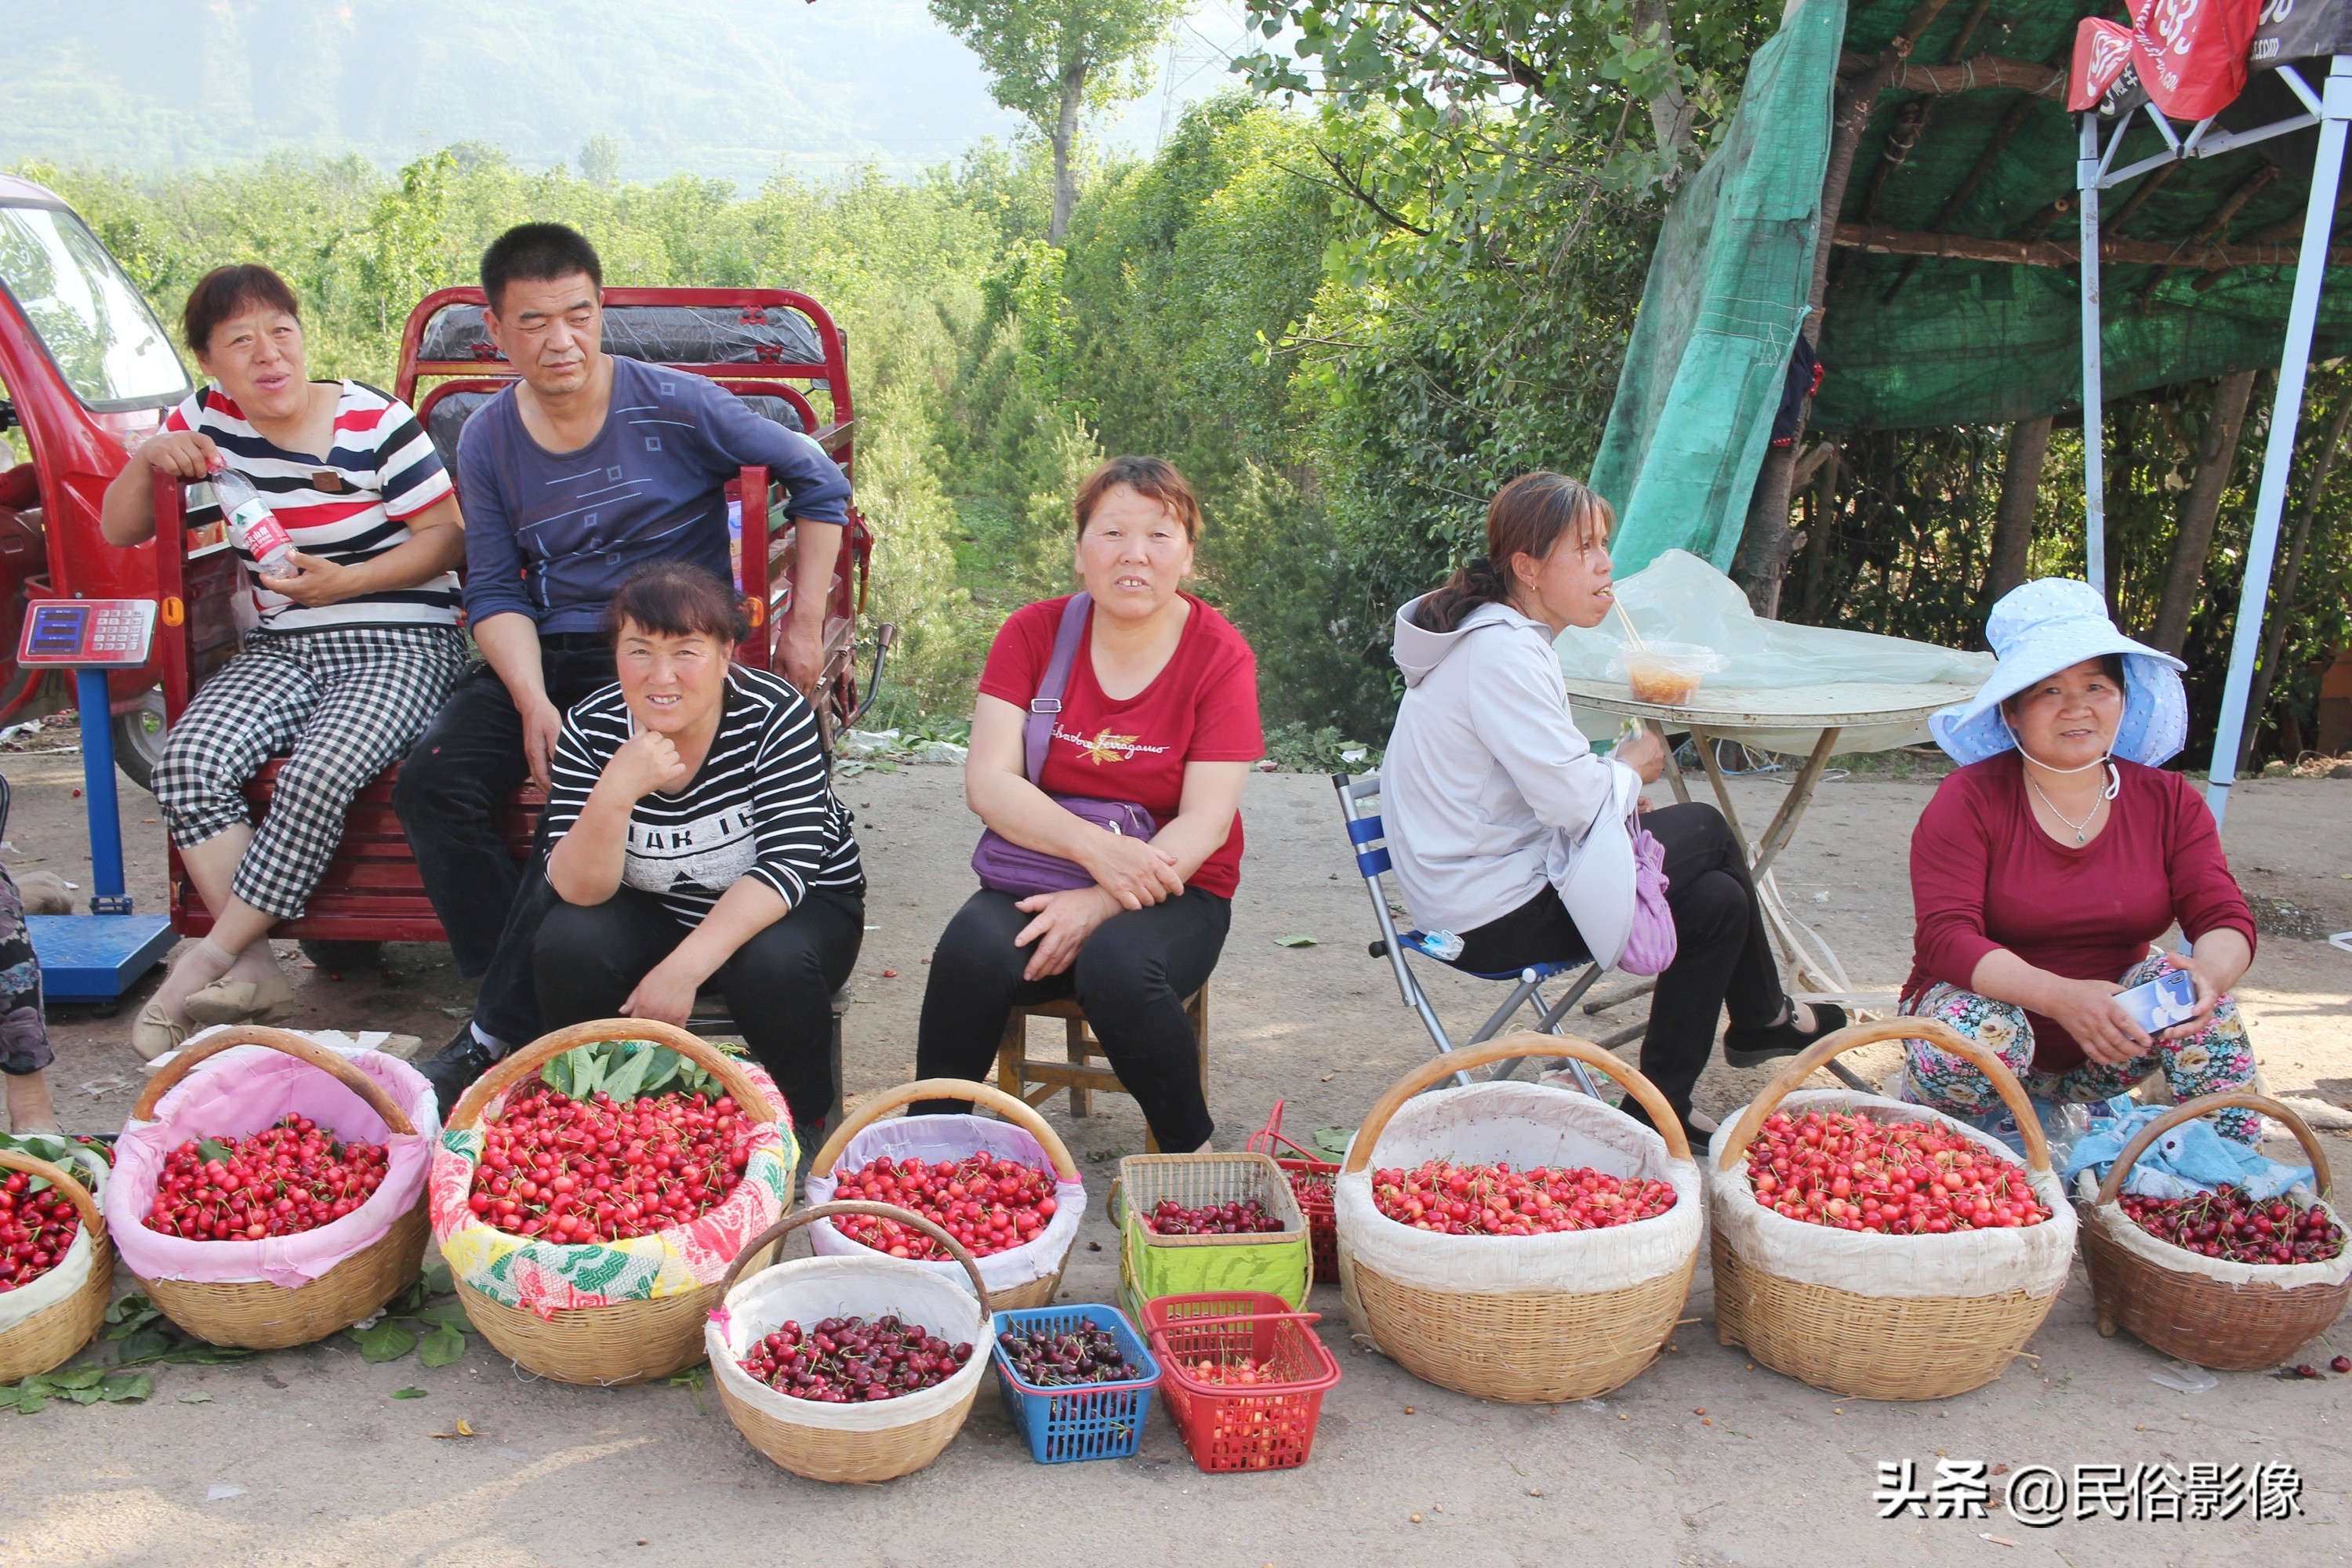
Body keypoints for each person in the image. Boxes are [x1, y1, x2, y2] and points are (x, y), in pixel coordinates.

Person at [399, 223, 853, 1106]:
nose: (560, 341)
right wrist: (531, 700)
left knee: (569, 814)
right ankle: (514, 993)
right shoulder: (489, 437)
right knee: (434, 782)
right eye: (534, 322)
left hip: (659, 651)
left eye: (578, 315)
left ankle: (492, 1036)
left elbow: (820, 480)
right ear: (496, 330)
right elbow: (491, 586)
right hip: (554, 647)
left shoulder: (677, 402)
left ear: (601, 310)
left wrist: (803, 625)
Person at [1379, 472, 1844, 1145]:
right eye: (1585, 548)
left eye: (1604, 544)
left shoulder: (1500, 639)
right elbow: (1571, 800)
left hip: (1488, 880)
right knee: (1707, 827)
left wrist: (1612, 786)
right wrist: (1628, 771)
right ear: (1528, 569)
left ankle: (1661, 1105)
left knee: (1716, 901)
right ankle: (1764, 1016)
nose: (1605, 564)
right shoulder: (1503, 652)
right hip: (1488, 913)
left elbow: (1536, 781)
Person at [99, 264, 469, 1058]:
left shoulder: (374, 420)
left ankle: (208, 958)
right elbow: (119, 528)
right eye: (241, 341)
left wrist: (349, 581)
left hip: (404, 639)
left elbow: (448, 537)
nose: (268, 355)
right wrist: (150, 456)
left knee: (317, 772)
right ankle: (258, 967)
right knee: (187, 762)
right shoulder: (205, 418)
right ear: (209, 362)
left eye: (281, 332)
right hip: (285, 645)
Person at [913, 457, 1260, 1154]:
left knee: (1118, 968)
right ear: (1080, 552)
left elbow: (1206, 821)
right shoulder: (1032, 634)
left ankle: (1193, 1158)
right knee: (970, 949)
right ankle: (929, 1150)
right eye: (1113, 533)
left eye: (1159, 535)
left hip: (1177, 889)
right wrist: (1096, 854)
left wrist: (1101, 901)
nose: (1135, 554)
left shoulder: (1220, 656)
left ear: (1188, 556)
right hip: (1044, 872)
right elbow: (990, 782)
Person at [1901, 578, 2262, 1142]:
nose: (2077, 708)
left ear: (2123, 698)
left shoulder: (2168, 800)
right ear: (2012, 712)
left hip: (2111, 1043)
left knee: (2194, 1000)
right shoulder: (1969, 799)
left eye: (2096, 686)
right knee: (1982, 1027)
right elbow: (1946, 938)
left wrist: (2209, 976)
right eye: (2049, 690)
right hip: (1983, 1042)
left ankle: (2229, 1177)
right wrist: (2062, 997)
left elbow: (2221, 914)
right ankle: (1942, 1149)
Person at [529, 563, 862, 1138]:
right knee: (567, 943)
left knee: (773, 966)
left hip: (798, 909)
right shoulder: (592, 727)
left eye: (686, 651)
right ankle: (608, 1122)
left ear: (726, 653)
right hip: (658, 912)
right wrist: (614, 794)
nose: (661, 676)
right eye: (639, 651)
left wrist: (681, 972)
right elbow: (579, 889)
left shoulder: (773, 714)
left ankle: (800, 1124)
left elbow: (787, 867)